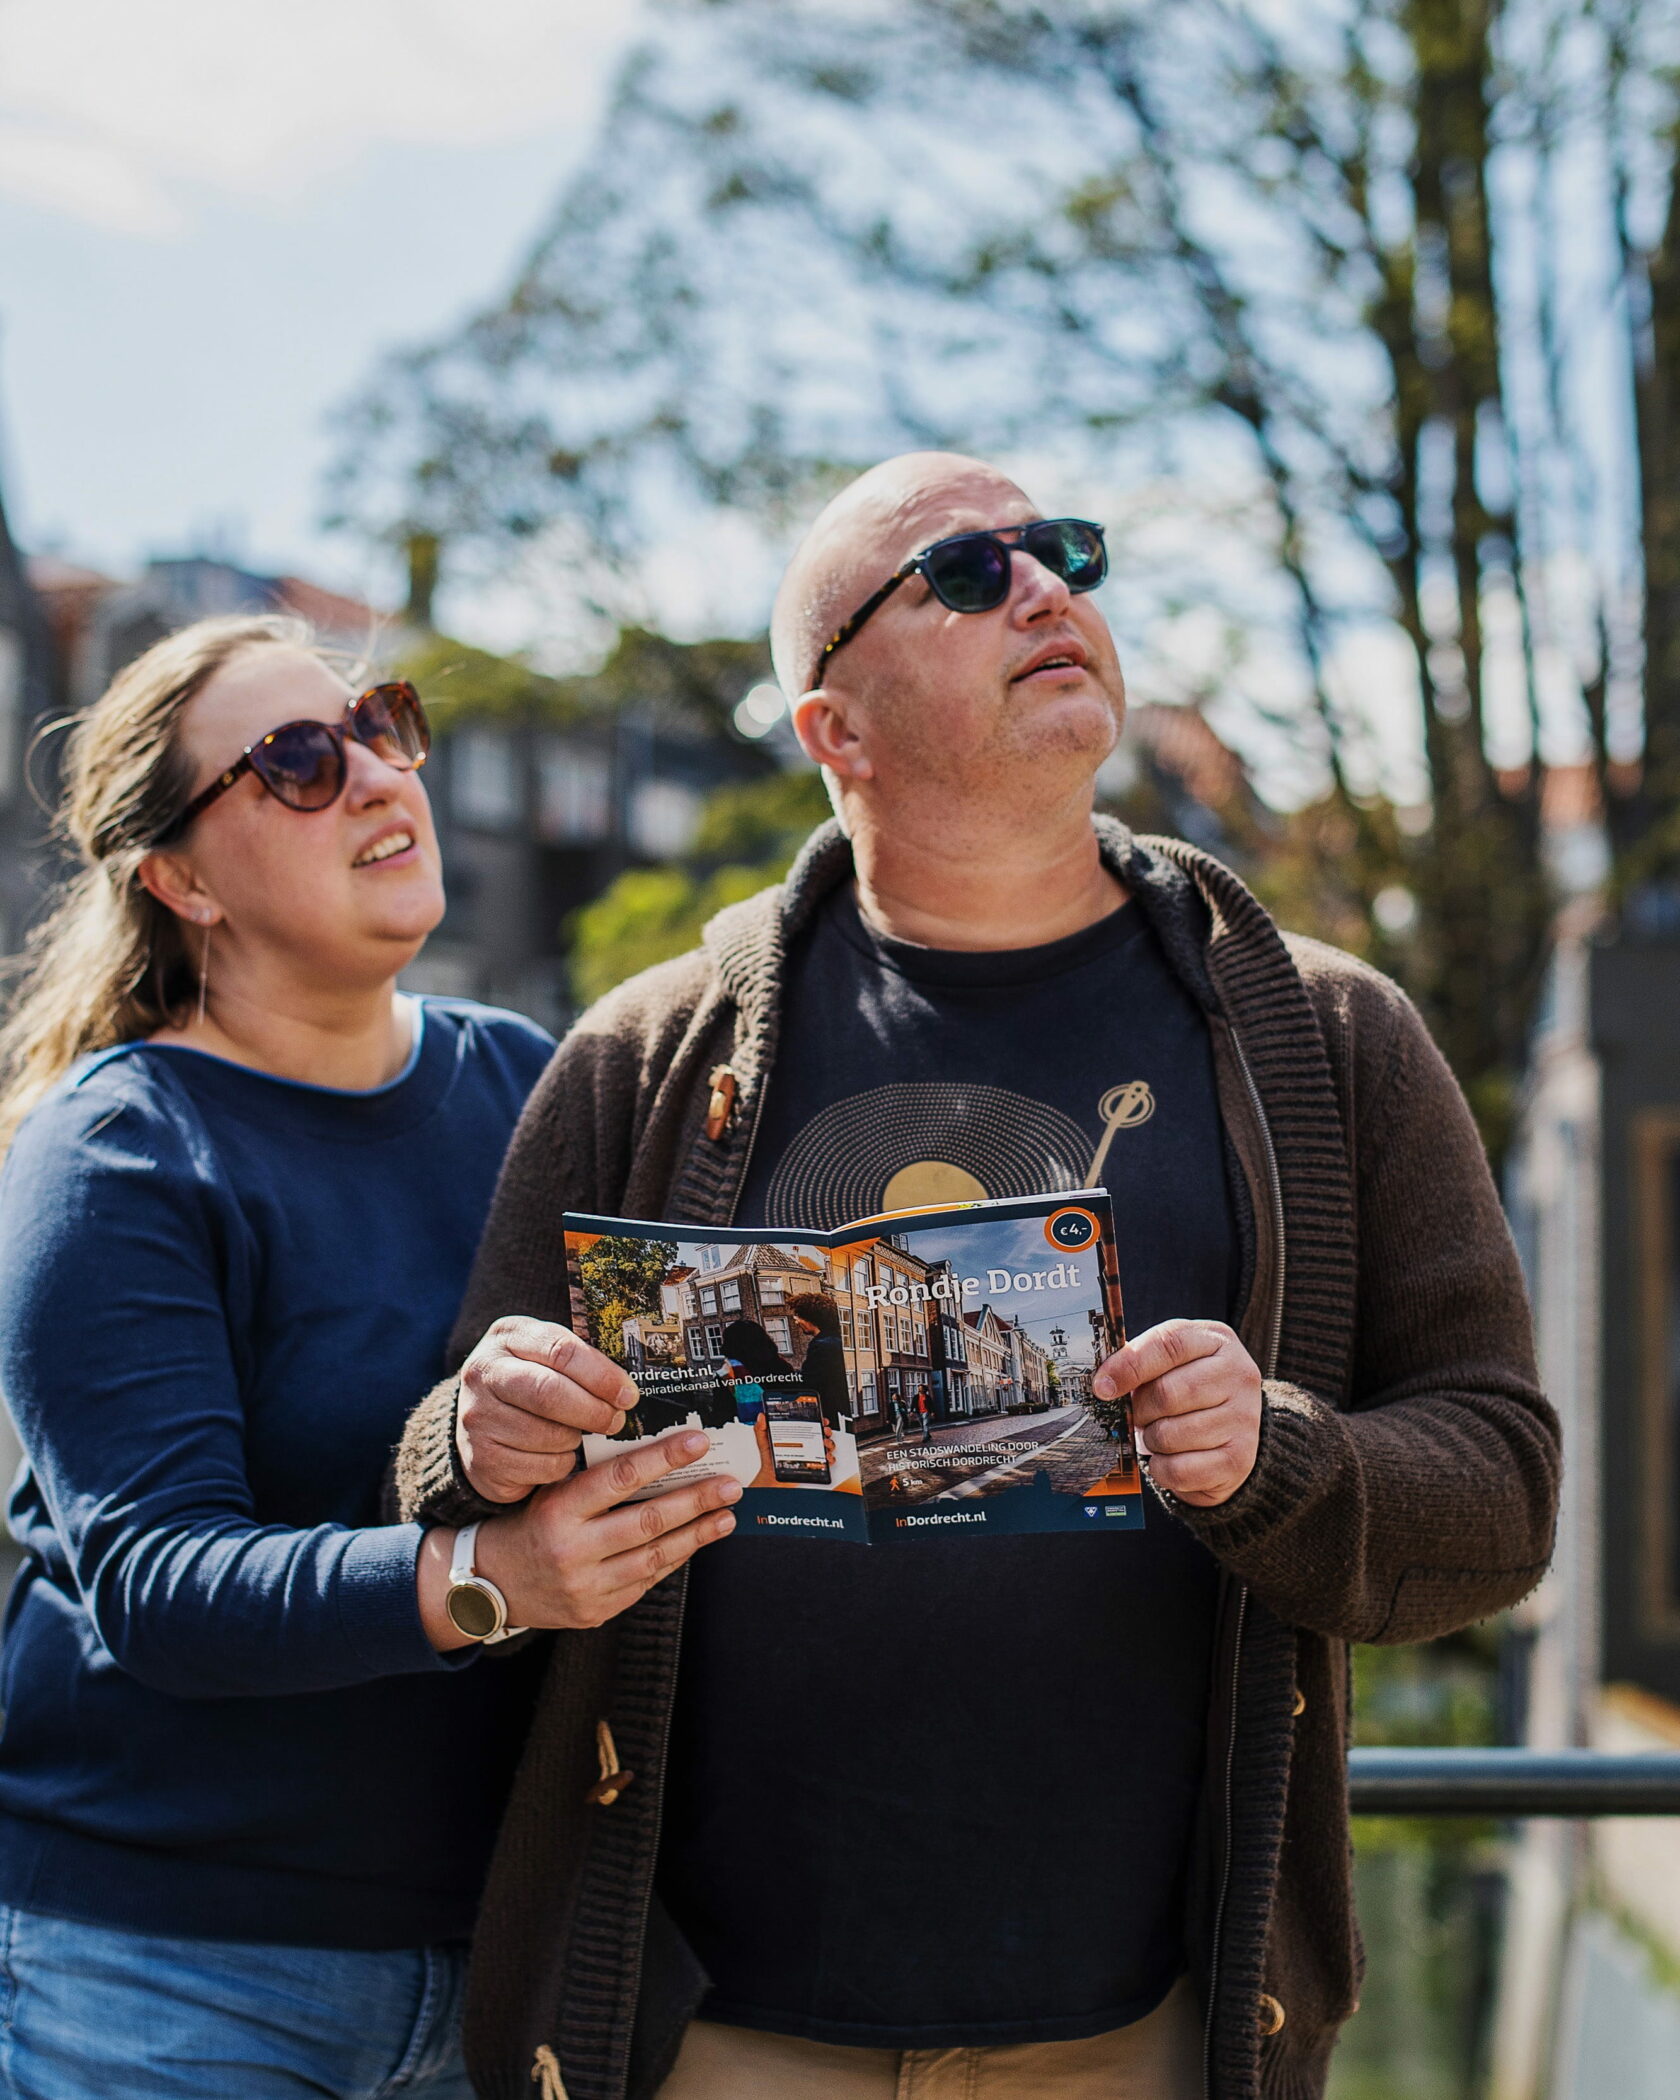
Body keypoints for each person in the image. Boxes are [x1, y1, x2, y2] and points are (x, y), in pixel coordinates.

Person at [392, 454, 1559, 2100]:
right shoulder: (650, 1052)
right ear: (832, 730)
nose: (1044, 586)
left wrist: (1277, 1459)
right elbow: (443, 1478)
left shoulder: (1332, 1035)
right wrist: (489, 1437)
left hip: (1146, 2034)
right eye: (959, 570)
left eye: (1064, 550)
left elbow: (1505, 1495)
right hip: (710, 2034)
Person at [0, 616, 738, 2100]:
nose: (374, 777)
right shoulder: (122, 1149)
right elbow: (156, 1584)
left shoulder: (525, 1078)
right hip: (165, 1970)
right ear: (180, 880)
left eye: (379, 723)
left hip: (500, 1953)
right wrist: (496, 1581)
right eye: (293, 761)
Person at [786, 1292, 850, 1428]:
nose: (796, 1321)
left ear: (811, 1318)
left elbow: (810, 1382)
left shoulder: (821, 1345)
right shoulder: (837, 1339)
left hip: (829, 1416)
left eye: (798, 1317)